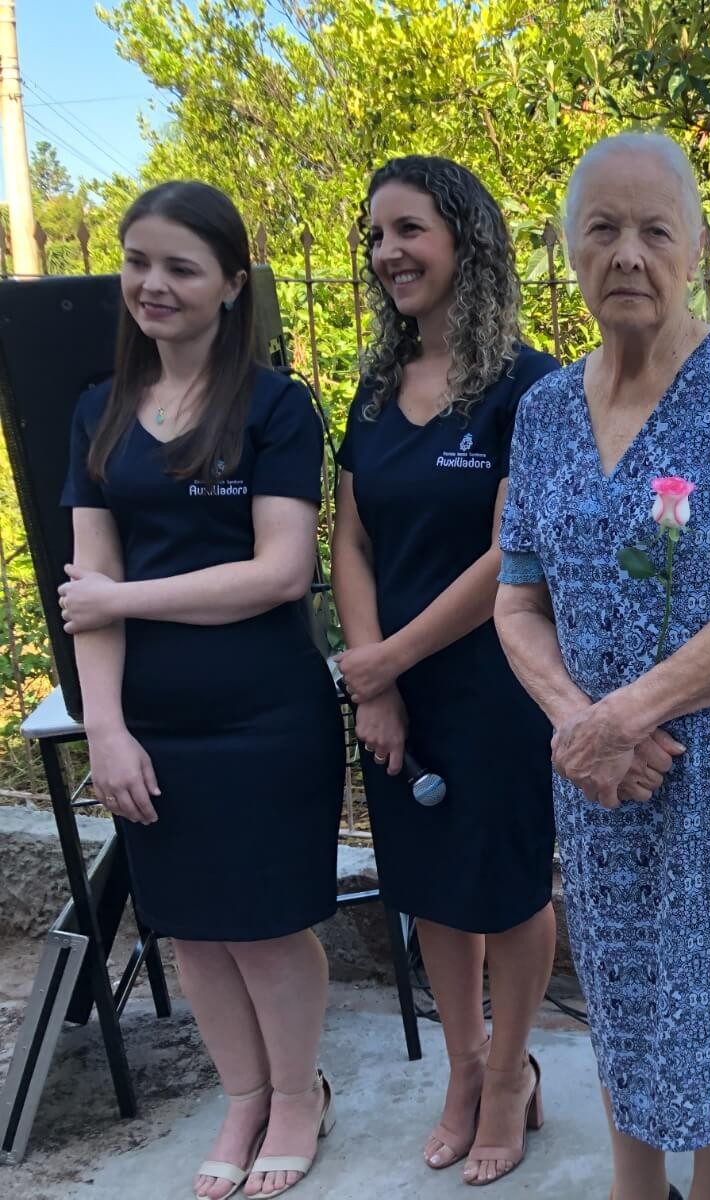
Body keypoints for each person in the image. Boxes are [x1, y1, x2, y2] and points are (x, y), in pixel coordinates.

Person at [493, 131, 710, 1200]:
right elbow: (516, 599)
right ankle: (637, 1190)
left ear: (697, 247)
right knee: (623, 980)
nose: (627, 253)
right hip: (595, 760)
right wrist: (579, 726)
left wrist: (623, 715)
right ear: (569, 250)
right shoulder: (541, 412)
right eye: (602, 229)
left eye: (653, 229)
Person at [59, 181, 342, 1200]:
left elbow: (279, 572)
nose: (154, 284)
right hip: (151, 722)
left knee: (264, 926)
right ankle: (242, 1095)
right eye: (139, 262)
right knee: (191, 928)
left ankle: (300, 1097)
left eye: (181, 266)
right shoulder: (96, 410)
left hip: (265, 713)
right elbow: (85, 603)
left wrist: (128, 594)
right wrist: (106, 732)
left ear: (231, 284)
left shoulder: (275, 405)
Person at [330, 155, 560, 1188]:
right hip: (395, 691)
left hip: (498, 685)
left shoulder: (530, 385)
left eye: (408, 230)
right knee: (430, 891)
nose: (388, 254)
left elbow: (514, 553)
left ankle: (511, 1074)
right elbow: (350, 539)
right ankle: (463, 1070)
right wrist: (374, 684)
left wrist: (384, 661)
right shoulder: (375, 390)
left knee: (506, 892)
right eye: (376, 235)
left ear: (466, 239)